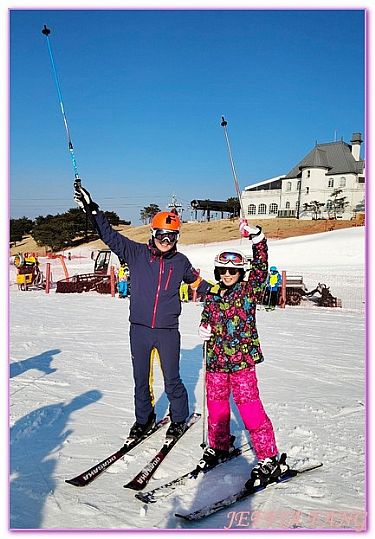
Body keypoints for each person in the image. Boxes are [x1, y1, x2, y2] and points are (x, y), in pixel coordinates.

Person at [74, 183, 211, 440]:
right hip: (139, 329)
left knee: (172, 379)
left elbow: (197, 283)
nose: (166, 241)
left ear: (177, 238)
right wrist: (92, 210)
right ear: (153, 233)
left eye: (171, 237)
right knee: (141, 380)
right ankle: (144, 419)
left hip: (168, 331)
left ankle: (179, 418)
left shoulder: (180, 262)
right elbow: (109, 235)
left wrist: (220, 294)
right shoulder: (135, 253)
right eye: (162, 235)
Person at [198, 220, 286, 489]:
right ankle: (220, 446)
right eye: (223, 270)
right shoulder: (212, 295)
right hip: (215, 361)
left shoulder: (248, 291)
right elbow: (207, 317)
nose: (227, 275)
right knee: (217, 407)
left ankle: (268, 456)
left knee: (249, 408)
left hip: (242, 361)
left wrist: (257, 239)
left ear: (240, 273)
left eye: (232, 271)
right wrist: (204, 326)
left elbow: (260, 267)